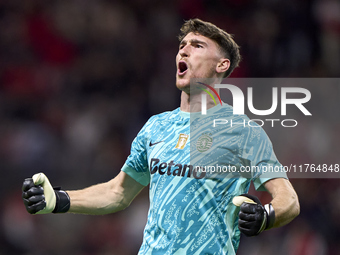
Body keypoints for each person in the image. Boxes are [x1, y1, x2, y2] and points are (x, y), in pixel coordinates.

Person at [22, 19, 300, 254]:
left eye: (197, 46)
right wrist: (59, 200)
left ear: (221, 65)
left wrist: (265, 216)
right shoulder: (156, 127)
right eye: (182, 46)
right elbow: (118, 192)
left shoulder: (243, 131)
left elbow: (288, 199)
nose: (184, 51)